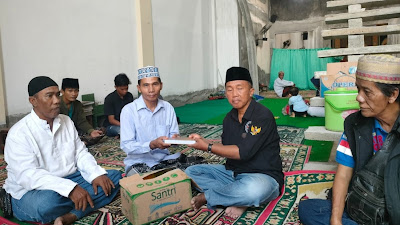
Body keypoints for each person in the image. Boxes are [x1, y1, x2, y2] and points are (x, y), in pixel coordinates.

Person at [1, 76, 121, 225]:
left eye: (57, 94)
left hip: (71, 178)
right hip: (32, 190)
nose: (56, 100)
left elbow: (80, 153)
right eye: (49, 96)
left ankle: (71, 215)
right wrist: (70, 189)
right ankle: (78, 204)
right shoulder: (19, 133)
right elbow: (28, 175)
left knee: (112, 178)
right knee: (47, 204)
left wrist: (95, 174)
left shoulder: (66, 121)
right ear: (33, 101)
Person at [298, 54, 400, 225]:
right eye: (358, 89)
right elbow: (344, 174)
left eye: (367, 91)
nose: (359, 98)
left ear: (392, 95)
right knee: (308, 209)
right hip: (364, 202)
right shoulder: (354, 124)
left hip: (393, 208)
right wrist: (336, 220)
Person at [185, 67, 284, 219]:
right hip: (233, 173)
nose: (234, 94)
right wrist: (203, 141)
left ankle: (212, 197)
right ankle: (237, 197)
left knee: (253, 190)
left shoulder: (262, 115)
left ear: (251, 91)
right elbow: (226, 147)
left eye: (239, 88)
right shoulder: (228, 118)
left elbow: (243, 152)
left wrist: (207, 147)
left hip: (262, 176)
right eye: (229, 90)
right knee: (191, 172)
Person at [120, 66, 181, 177]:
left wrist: (175, 139)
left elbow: (174, 135)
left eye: (155, 84)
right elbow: (127, 145)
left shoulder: (168, 108)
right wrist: (151, 144)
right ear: (139, 88)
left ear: (161, 85)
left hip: (164, 160)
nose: (151, 90)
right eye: (146, 85)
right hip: (138, 163)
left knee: (193, 169)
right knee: (146, 181)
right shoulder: (129, 111)